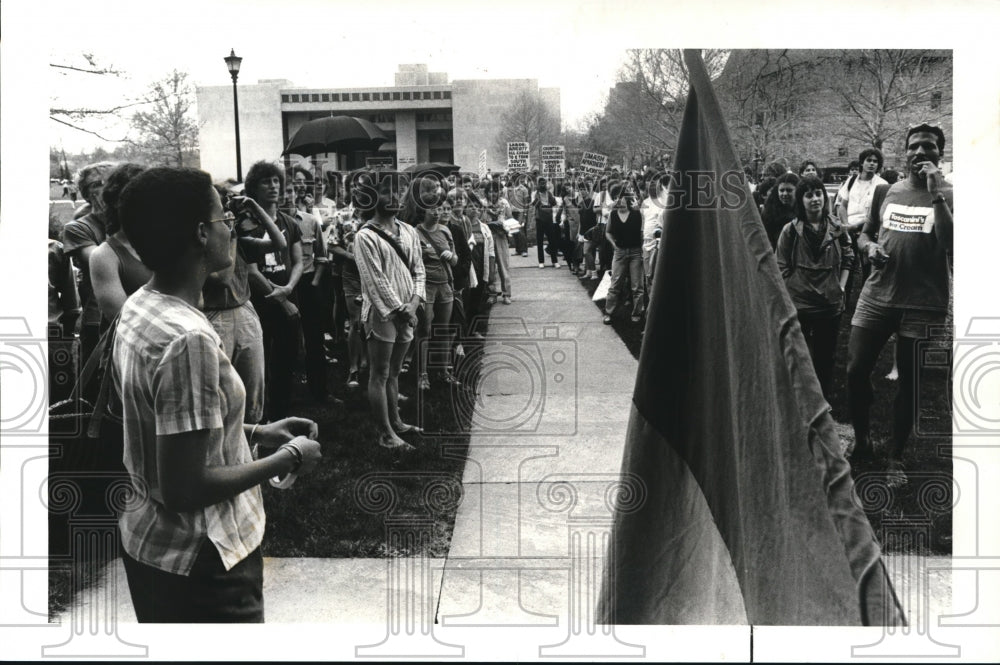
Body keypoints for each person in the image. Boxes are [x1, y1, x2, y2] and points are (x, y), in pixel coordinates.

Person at [112, 166, 322, 622]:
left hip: (150, 547)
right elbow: (186, 486)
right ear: (202, 234)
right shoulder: (188, 338)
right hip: (205, 562)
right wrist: (290, 456)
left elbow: (162, 421)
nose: (232, 226)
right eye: (225, 217)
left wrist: (256, 428)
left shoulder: (142, 306)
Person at [846, 124, 953, 486]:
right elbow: (865, 232)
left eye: (928, 146)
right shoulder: (888, 191)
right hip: (877, 295)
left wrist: (937, 193)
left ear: (940, 152)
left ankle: (895, 457)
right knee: (855, 370)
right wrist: (868, 247)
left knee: (909, 384)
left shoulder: (953, 194)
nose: (920, 152)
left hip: (923, 303)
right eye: (913, 147)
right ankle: (862, 442)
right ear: (904, 153)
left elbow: (951, 243)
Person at [202, 183, 289, 424]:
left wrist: (254, 206)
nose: (227, 215)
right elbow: (223, 278)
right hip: (214, 316)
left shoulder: (239, 241)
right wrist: (230, 235)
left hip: (244, 311)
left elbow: (279, 243)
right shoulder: (203, 246)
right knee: (222, 390)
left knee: (254, 386)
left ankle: (254, 439)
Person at [354, 172, 426, 450]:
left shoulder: (408, 231)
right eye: (387, 191)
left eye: (399, 191)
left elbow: (419, 270)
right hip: (382, 314)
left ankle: (396, 421)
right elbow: (375, 281)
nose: (394, 197)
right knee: (380, 372)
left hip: (408, 310)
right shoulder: (365, 236)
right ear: (373, 197)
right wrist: (400, 309)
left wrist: (415, 303)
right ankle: (385, 433)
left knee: (395, 371)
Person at [775, 176, 854, 401]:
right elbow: (780, 265)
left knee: (825, 356)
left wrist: (841, 286)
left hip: (829, 303)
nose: (815, 199)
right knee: (797, 354)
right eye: (808, 195)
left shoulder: (837, 227)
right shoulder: (789, 230)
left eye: (818, 193)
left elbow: (849, 257)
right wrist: (794, 287)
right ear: (801, 200)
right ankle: (796, 399)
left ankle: (822, 400)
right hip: (800, 303)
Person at [243, 161, 303, 422]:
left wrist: (288, 289)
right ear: (254, 188)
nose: (273, 186)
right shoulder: (246, 225)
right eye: (266, 182)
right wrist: (281, 300)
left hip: (289, 297)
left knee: (287, 359)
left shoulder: (289, 223)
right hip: (261, 303)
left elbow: (299, 260)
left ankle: (280, 414)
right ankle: (261, 417)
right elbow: (251, 270)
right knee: (260, 362)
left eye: (276, 181)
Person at [62, 161, 115, 365]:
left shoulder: (135, 220)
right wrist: (110, 221)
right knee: (94, 388)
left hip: (137, 314)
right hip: (97, 319)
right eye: (97, 183)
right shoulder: (77, 228)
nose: (106, 187)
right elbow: (102, 262)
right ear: (86, 193)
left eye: (111, 181)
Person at [289, 166, 333, 404]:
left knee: (314, 339)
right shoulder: (270, 222)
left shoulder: (309, 221)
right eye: (291, 182)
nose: (296, 187)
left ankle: (320, 392)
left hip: (307, 283)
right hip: (281, 284)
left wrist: (314, 284)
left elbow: (322, 257)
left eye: (299, 182)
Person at [89, 164, 152, 323]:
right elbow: (122, 318)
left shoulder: (169, 243)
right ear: (117, 201)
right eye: (138, 197)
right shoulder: (104, 255)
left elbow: (196, 301)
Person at [414, 194, 460, 390]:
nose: (436, 212)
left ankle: (443, 370)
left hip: (445, 284)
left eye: (439, 208)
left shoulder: (446, 231)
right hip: (426, 286)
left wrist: (451, 257)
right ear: (423, 211)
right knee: (424, 329)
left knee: (443, 328)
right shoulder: (416, 232)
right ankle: (422, 374)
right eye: (431, 208)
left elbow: (456, 259)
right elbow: (412, 261)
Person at [603, 183, 645, 325]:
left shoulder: (636, 213)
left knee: (637, 286)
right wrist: (614, 244)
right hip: (620, 252)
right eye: (615, 197)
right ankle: (608, 313)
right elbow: (607, 232)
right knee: (615, 283)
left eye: (621, 197)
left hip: (635, 252)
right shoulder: (613, 215)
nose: (619, 200)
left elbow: (642, 231)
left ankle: (637, 313)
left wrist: (641, 248)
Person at [760, 172, 800, 250]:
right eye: (781, 190)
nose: (784, 194)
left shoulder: (805, 209)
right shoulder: (769, 211)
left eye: (789, 190)